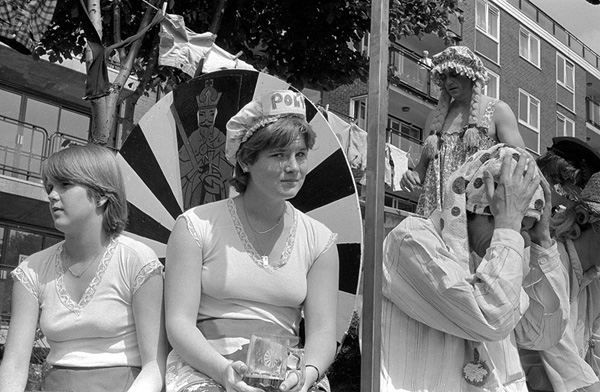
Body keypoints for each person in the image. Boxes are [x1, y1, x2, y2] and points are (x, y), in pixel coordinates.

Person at [164, 90, 339, 392]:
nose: (294, 167)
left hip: (287, 374)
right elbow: (179, 323)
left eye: (300, 155)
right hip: (205, 368)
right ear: (246, 160)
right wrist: (224, 373)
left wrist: (306, 375)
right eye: (279, 155)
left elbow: (323, 331)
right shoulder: (195, 227)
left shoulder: (320, 241)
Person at [381, 144, 569, 391]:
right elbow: (491, 316)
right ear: (472, 208)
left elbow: (542, 333)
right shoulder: (411, 241)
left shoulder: (500, 254)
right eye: (505, 219)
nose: (518, 236)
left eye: (524, 227)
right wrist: (509, 226)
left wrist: (542, 242)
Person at [0, 144, 167, 391]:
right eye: (49, 187)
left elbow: (155, 364)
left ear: (101, 196)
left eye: (65, 185)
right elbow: (14, 364)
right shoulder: (31, 270)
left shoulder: (137, 260)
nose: (52, 195)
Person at [400, 46, 525, 217]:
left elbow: (521, 162)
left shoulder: (498, 110)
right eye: (444, 77)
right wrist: (411, 176)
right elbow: (422, 168)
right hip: (437, 211)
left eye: (454, 74)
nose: (449, 82)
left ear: (470, 73)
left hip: (478, 212)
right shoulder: (435, 117)